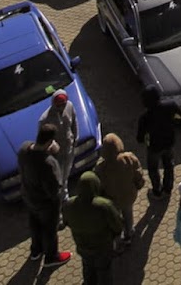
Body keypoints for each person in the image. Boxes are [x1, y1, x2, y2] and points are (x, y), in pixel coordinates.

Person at [20, 123, 72, 268]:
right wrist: (54, 154)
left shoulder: (24, 148)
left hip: (29, 197)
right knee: (50, 230)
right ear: (50, 142)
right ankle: (51, 257)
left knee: (34, 224)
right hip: (45, 204)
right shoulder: (48, 163)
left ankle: (36, 250)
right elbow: (54, 188)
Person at [63, 171, 122, 285]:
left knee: (88, 267)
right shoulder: (104, 205)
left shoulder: (69, 204)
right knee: (104, 271)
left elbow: (66, 222)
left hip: (82, 245)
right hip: (102, 247)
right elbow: (117, 225)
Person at [93, 134, 146, 248]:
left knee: (115, 218)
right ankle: (129, 234)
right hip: (128, 196)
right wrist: (139, 184)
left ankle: (117, 239)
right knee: (128, 214)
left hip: (112, 199)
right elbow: (138, 174)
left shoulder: (101, 168)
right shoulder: (129, 158)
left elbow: (98, 185)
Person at [136, 85, 179, 201]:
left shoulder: (145, 117)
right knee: (169, 166)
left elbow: (139, 138)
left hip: (154, 148)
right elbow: (179, 117)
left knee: (153, 169)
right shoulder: (171, 106)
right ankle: (168, 189)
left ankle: (157, 190)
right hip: (169, 143)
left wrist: (144, 139)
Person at [40, 90, 78, 193]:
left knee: (67, 172)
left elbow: (74, 122)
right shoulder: (45, 119)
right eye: (58, 106)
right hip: (56, 153)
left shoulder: (69, 106)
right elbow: (43, 140)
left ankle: (64, 192)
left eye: (63, 105)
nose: (61, 108)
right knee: (57, 176)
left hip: (68, 148)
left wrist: (75, 138)